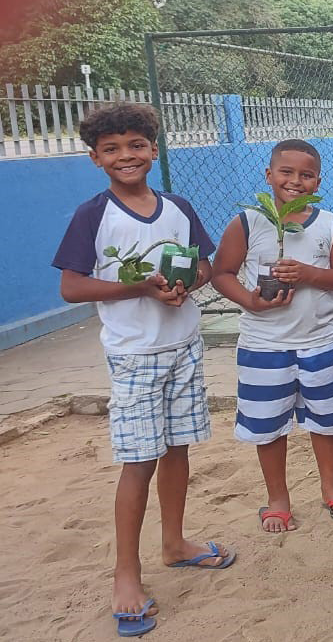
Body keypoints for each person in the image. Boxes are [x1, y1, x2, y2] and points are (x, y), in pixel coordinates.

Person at [53, 103, 233, 638]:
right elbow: (72, 286)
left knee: (178, 448)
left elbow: (205, 263)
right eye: (111, 149)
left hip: (184, 346)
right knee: (138, 462)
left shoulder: (176, 206)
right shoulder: (94, 214)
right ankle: (125, 575)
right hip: (135, 356)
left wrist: (186, 286)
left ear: (153, 149)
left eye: (135, 145)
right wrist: (138, 287)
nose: (125, 156)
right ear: (95, 158)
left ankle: (175, 543)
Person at [211, 139, 333, 532]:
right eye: (286, 172)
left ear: (317, 181)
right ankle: (277, 498)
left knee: (326, 422)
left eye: (306, 175)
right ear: (269, 176)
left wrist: (310, 274)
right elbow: (221, 272)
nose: (295, 181)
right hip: (264, 346)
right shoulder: (248, 222)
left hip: (320, 342)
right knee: (267, 425)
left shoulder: (330, 223)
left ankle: (331, 487)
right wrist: (250, 301)